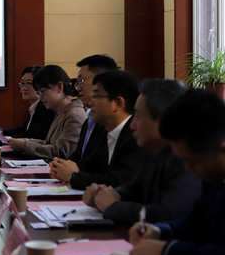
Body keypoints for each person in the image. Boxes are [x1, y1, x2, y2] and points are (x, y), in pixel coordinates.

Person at [130, 90, 225, 255]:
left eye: (192, 161)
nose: (188, 169)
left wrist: (167, 252)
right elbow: (197, 223)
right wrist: (160, 231)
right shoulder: (213, 176)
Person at [83, 79, 201, 225]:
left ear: (164, 120)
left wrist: (113, 207)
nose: (132, 125)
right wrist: (105, 194)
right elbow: (134, 190)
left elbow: (169, 214)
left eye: (138, 116)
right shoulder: (154, 152)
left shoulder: (187, 159)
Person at [51, 70, 141, 189]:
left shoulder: (136, 136)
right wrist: (61, 166)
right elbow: (89, 166)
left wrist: (73, 176)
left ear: (118, 103)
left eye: (96, 96)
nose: (90, 101)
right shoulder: (104, 131)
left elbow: (120, 181)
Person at [49, 55, 118, 185]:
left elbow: (113, 178)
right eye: (77, 82)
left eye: (81, 80)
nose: (77, 87)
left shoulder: (112, 123)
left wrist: (75, 175)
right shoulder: (89, 119)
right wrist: (60, 165)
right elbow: (79, 159)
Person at [6, 65, 86, 158]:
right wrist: (24, 142)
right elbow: (48, 143)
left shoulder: (74, 115)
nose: (40, 97)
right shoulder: (61, 111)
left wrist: (24, 145)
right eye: (39, 93)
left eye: (43, 91)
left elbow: (62, 152)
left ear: (59, 87)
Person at [0, 66, 55, 139]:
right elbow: (24, 130)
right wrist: (0, 133)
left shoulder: (46, 108)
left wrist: (9, 140)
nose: (24, 88)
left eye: (29, 83)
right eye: (22, 83)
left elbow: (34, 137)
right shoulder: (34, 107)